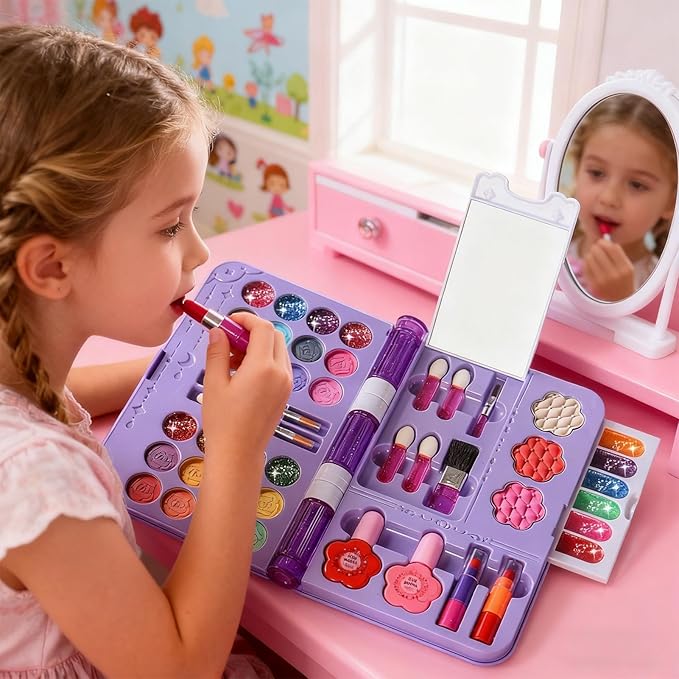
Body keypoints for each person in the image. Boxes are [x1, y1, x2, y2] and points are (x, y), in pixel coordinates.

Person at [0, 25, 292, 678]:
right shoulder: (35, 480)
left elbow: (45, 401)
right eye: (169, 226)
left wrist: (166, 374)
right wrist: (236, 446)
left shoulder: (17, 372)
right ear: (51, 266)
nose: (200, 250)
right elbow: (180, 668)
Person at [563, 94, 677, 302]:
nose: (609, 198)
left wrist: (621, 297)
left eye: (637, 185)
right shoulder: (551, 249)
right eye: (597, 173)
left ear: (672, 202)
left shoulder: (663, 289)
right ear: (577, 170)